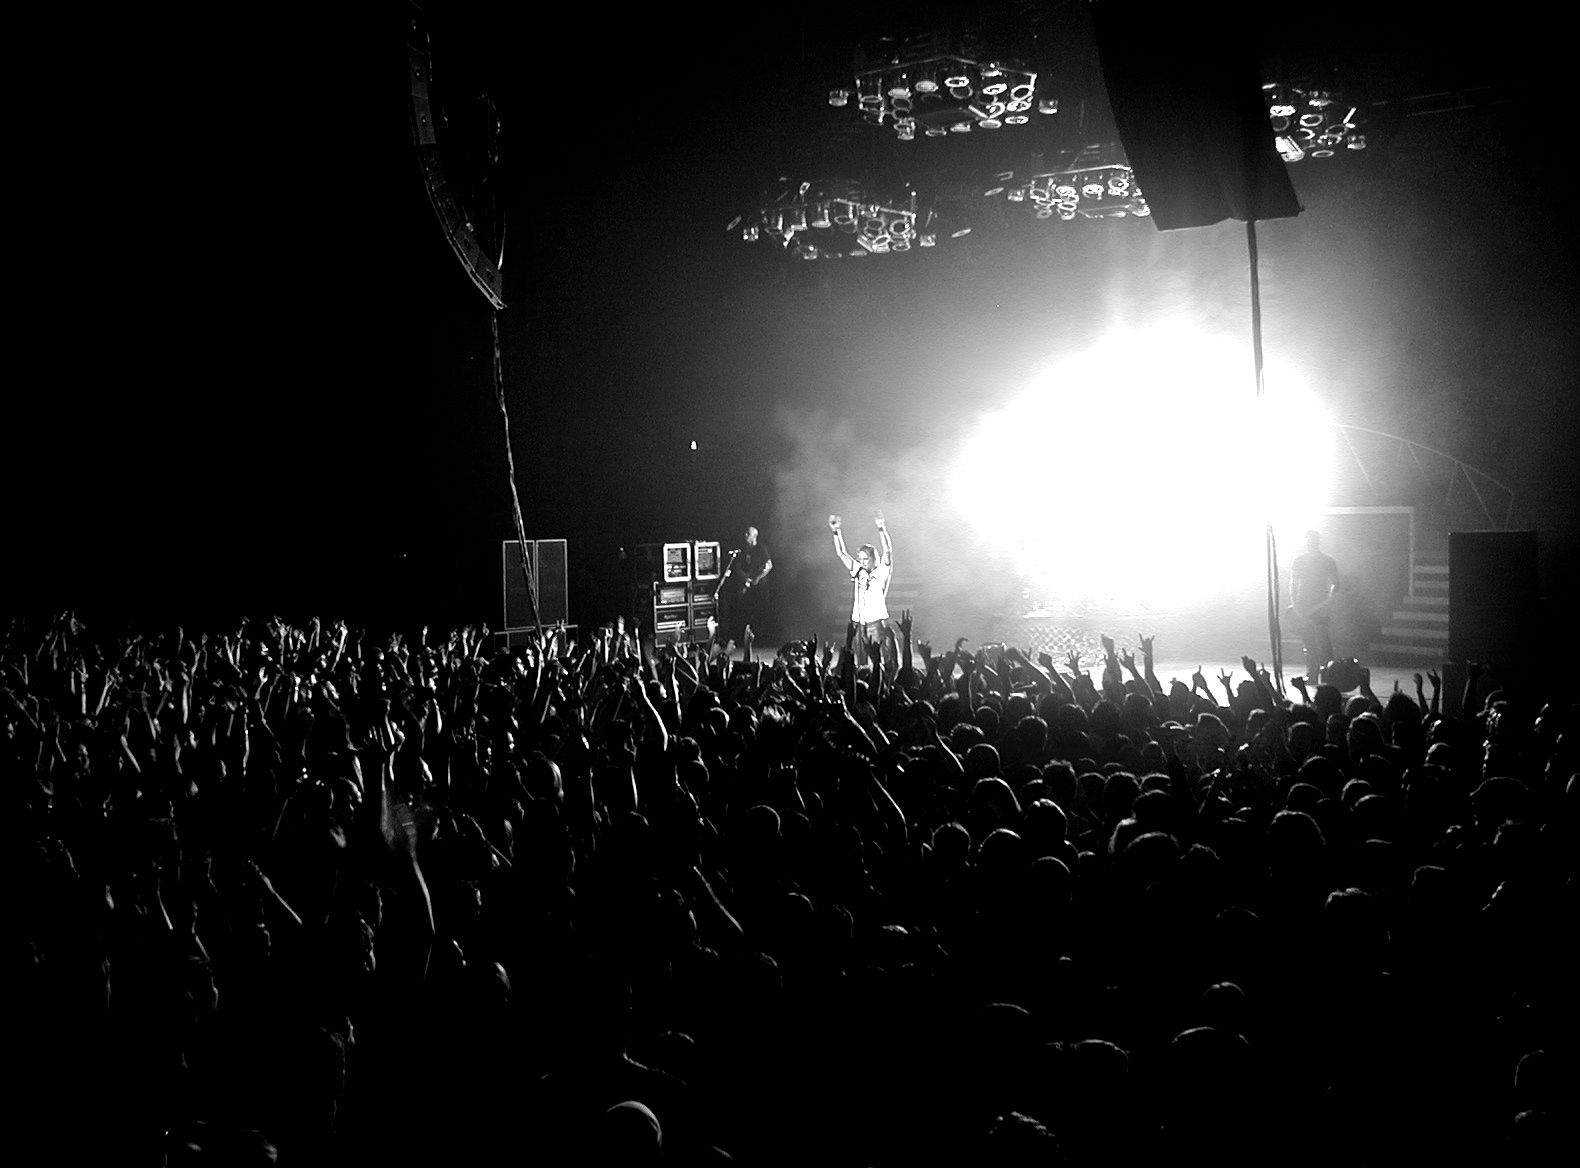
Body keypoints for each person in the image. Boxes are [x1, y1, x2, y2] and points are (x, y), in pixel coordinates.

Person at [830, 510, 893, 654]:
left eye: (866, 559)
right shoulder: (858, 570)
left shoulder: (882, 571)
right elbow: (841, 553)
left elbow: (888, 550)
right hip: (858, 623)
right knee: (860, 659)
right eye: (861, 559)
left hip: (875, 623)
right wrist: (836, 531)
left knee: (877, 657)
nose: (863, 562)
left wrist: (881, 529)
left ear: (873, 558)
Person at [1289, 529, 1341, 684]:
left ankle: (1329, 676)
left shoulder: (1327, 560)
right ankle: (1312, 675)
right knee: (1308, 642)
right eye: (1309, 540)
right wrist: (1296, 605)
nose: (1311, 542)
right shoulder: (1299, 560)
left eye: (1313, 540)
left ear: (1318, 541)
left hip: (1321, 606)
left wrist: (1329, 599)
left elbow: (1335, 583)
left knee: (1324, 642)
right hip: (1304, 605)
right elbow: (1293, 584)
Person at [716, 525, 772, 648]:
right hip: (746, 584)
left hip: (759, 586)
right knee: (744, 611)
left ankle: (759, 639)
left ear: (754, 536)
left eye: (748, 533)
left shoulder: (761, 549)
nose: (745, 535)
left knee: (759, 612)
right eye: (745, 533)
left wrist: (757, 578)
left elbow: (768, 565)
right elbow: (737, 567)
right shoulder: (743, 550)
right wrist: (745, 578)